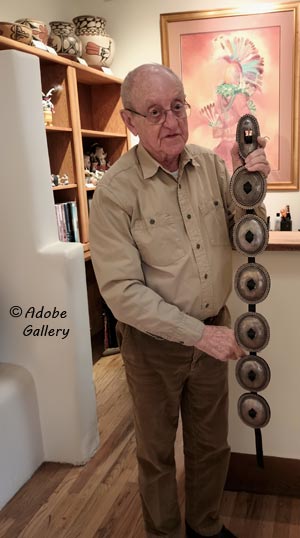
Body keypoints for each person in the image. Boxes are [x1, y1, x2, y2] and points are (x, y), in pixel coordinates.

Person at [89, 63, 270, 538]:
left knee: (211, 447)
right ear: (129, 121)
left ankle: (205, 526)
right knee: (155, 454)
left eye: (176, 106)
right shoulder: (113, 193)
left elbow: (245, 231)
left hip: (216, 330)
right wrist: (200, 336)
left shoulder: (210, 165)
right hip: (154, 349)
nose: (171, 121)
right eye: (154, 112)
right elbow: (122, 294)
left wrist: (253, 183)